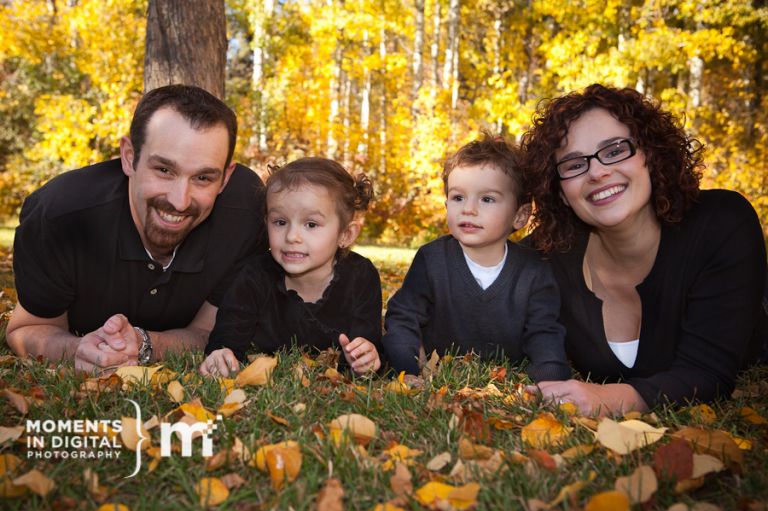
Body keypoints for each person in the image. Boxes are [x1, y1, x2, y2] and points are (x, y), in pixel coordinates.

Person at [521, 83, 766, 415]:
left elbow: (708, 374)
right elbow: (478, 277)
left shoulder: (721, 224)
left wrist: (606, 399)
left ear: (649, 154)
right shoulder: (551, 254)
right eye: (574, 164)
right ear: (561, 191)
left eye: (614, 150)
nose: (597, 172)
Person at [6, 84, 267, 373]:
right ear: (129, 156)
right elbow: (27, 330)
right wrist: (78, 350)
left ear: (226, 178)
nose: (180, 202)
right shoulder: (59, 215)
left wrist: (144, 344)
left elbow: (208, 331)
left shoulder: (246, 215)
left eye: (204, 177)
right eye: (164, 170)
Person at [382, 135, 572, 382]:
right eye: (458, 197)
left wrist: (550, 379)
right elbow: (403, 317)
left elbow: (545, 332)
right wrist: (406, 367)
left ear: (520, 215)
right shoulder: (433, 260)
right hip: (434, 370)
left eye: (487, 199)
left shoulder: (533, 271)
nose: (468, 209)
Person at [199, 157, 382, 377]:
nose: (292, 236)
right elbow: (226, 337)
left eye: (311, 224)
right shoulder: (254, 276)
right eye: (280, 222)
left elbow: (367, 346)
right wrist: (221, 354)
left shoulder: (362, 277)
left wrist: (365, 359)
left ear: (345, 234)